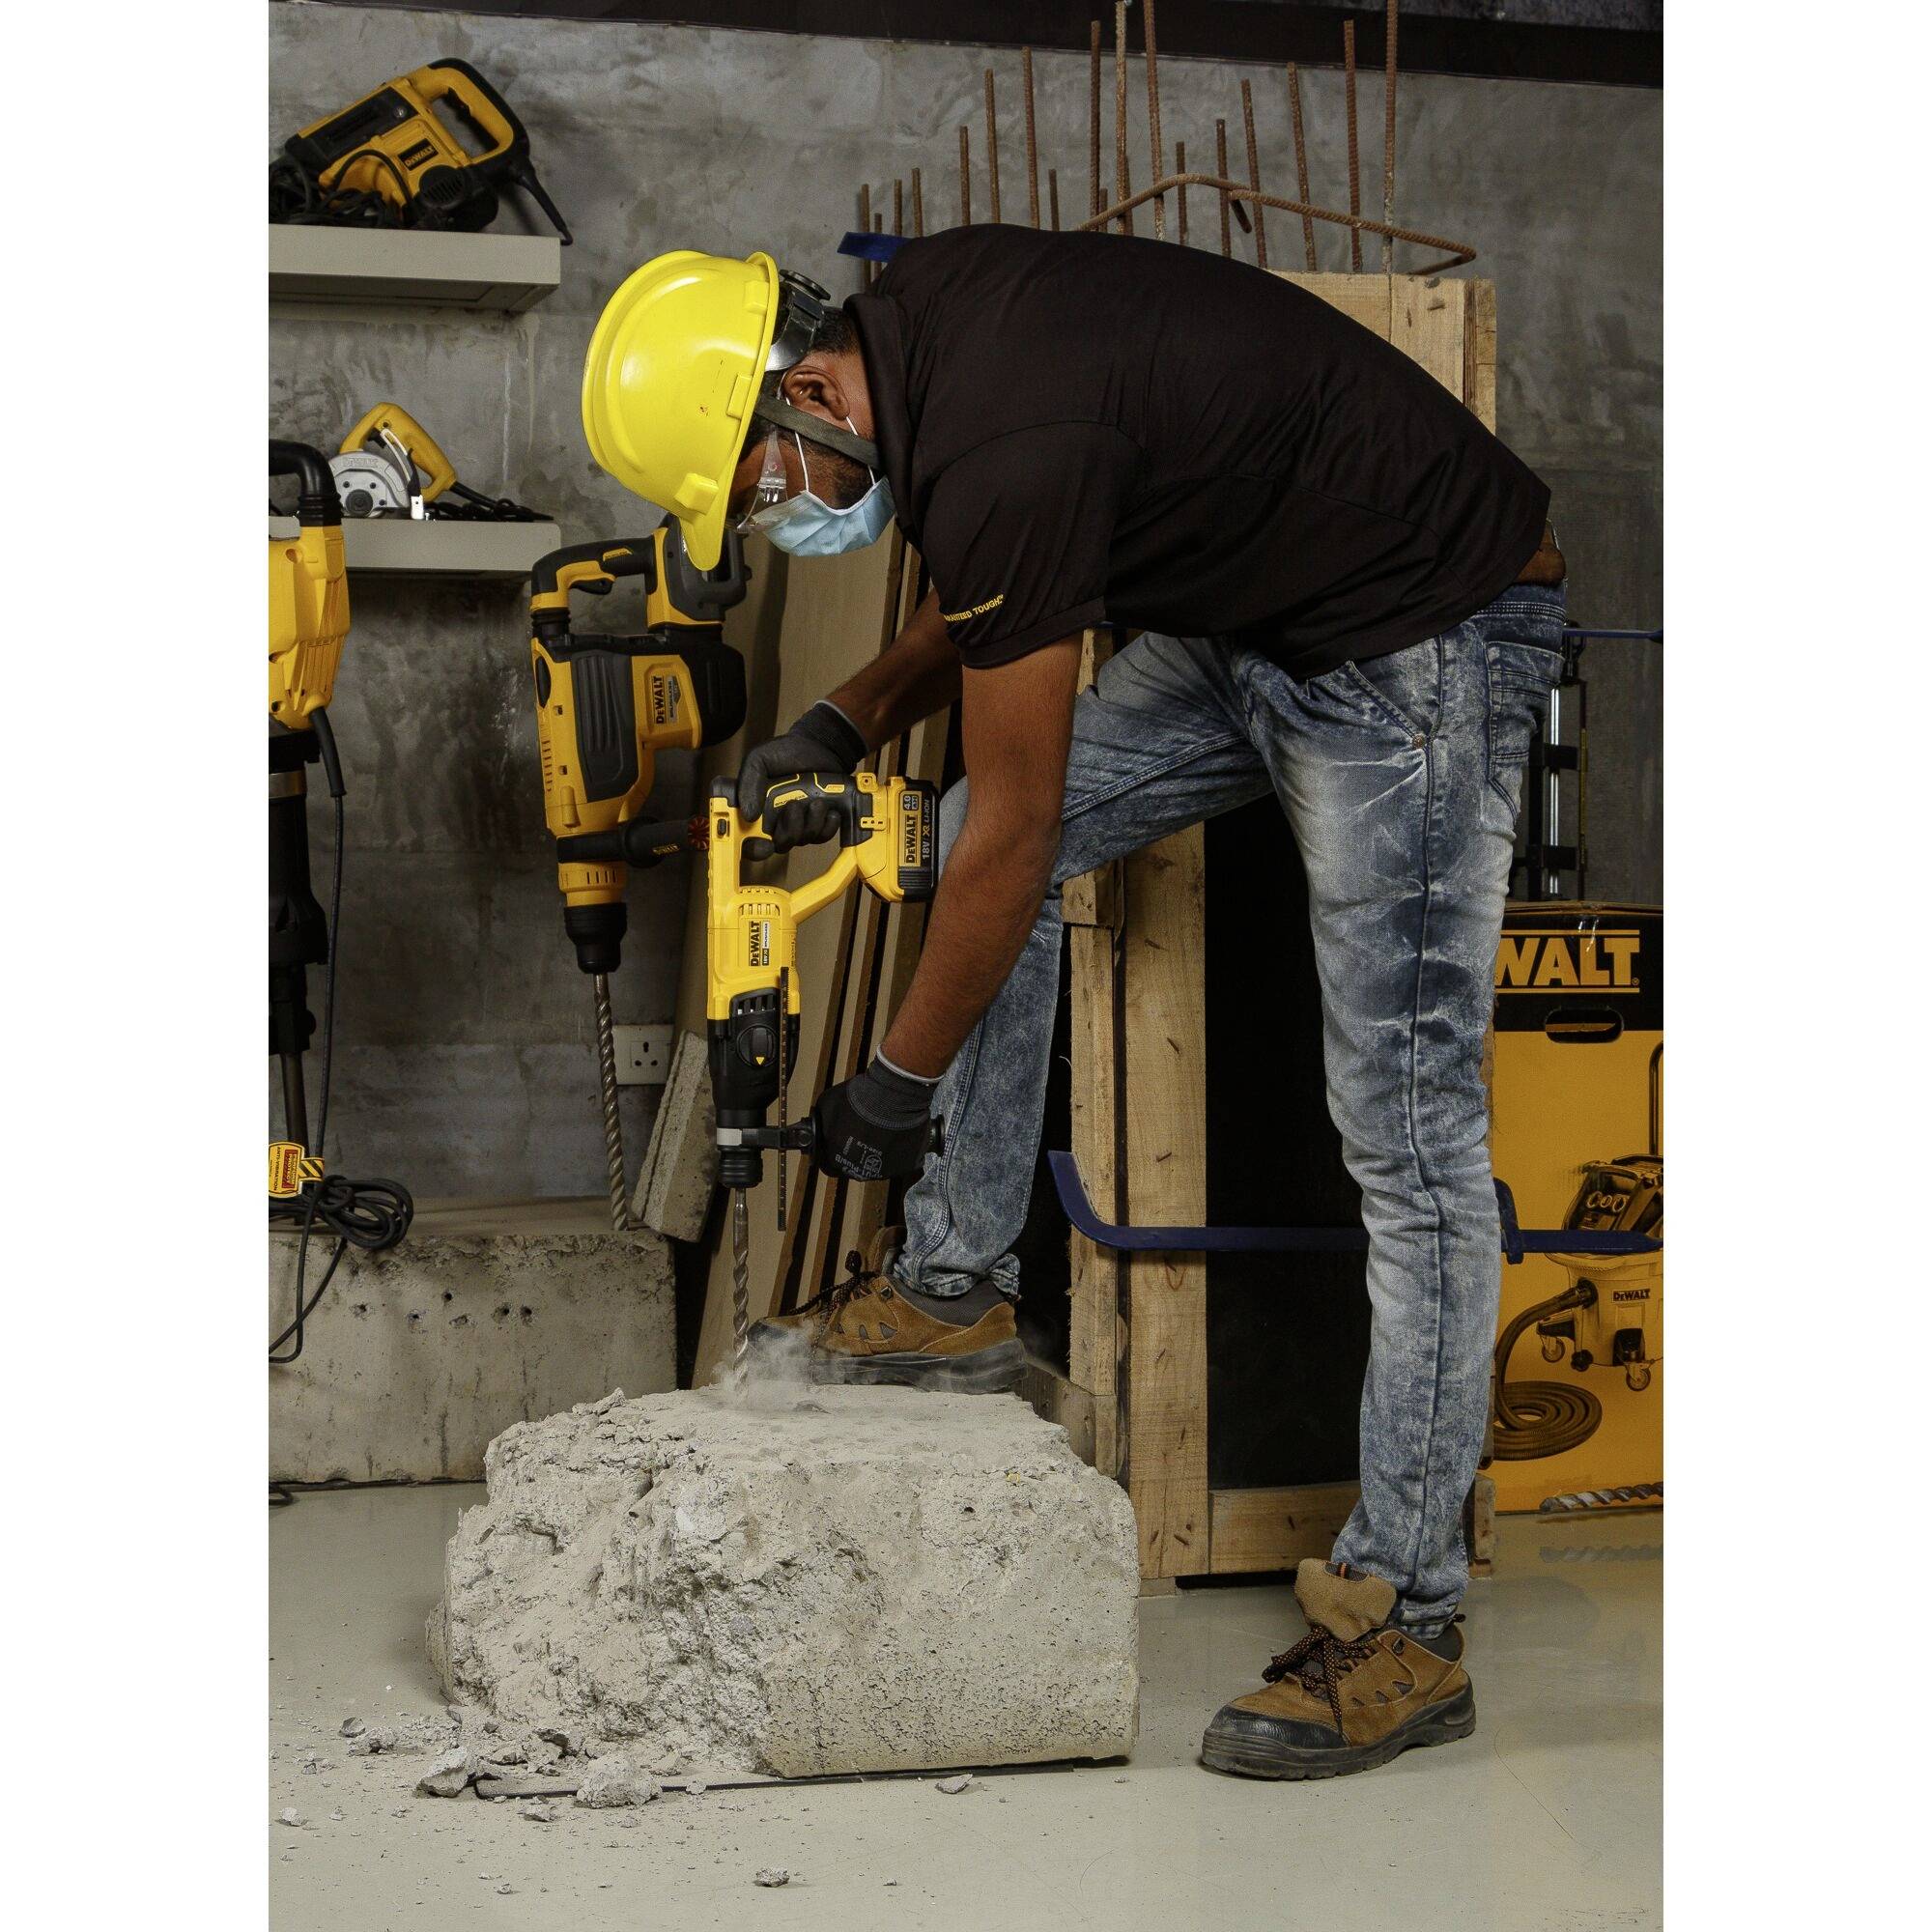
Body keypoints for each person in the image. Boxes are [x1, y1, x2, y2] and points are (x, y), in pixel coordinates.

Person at [582, 226, 1565, 1780]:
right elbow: (994, 600)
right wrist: (855, 711)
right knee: (971, 832)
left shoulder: (1000, 437)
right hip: (1266, 625)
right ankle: (959, 1282)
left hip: (1418, 643)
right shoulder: (924, 334)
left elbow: (1029, 811)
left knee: (1408, 1133)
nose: (776, 521)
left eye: (767, 487)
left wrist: (894, 1082)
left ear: (815, 387)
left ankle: (1409, 1625)